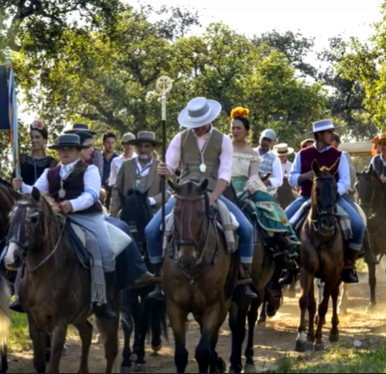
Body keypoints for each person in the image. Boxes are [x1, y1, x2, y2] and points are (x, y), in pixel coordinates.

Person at [12, 133, 156, 318]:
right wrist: (21, 185)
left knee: (106, 249)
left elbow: (92, 195)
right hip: (58, 219)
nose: (65, 152)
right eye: (62, 149)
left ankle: (105, 299)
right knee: (24, 242)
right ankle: (20, 294)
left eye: (70, 149)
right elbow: (36, 192)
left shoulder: (90, 170)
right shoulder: (50, 173)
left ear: (78, 151)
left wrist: (72, 204)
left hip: (87, 217)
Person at [145, 97, 258, 300]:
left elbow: (225, 172)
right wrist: (164, 170)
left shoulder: (223, 140)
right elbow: (170, 167)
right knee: (151, 230)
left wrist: (213, 197)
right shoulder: (180, 138)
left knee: (246, 228)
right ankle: (158, 275)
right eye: (195, 124)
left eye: (201, 123)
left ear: (209, 119)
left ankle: (244, 277)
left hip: (212, 193)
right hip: (183, 195)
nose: (198, 127)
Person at [284, 119, 367, 283]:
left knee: (358, 225)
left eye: (332, 132)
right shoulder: (302, 154)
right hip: (306, 197)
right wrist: (303, 177)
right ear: (319, 135)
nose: (332, 135)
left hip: (334, 199)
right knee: (283, 223)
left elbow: (345, 181)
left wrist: (332, 194)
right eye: (329, 132)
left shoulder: (339, 155)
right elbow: (291, 177)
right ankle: (290, 265)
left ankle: (349, 264)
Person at [229, 109, 300, 285]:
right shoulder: (223, 148)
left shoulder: (253, 154)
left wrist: (251, 186)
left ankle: (280, 244)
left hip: (246, 187)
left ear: (247, 132)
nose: (235, 131)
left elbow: (253, 175)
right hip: (225, 187)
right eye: (233, 128)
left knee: (268, 205)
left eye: (238, 128)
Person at [110, 131, 168, 216]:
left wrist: (152, 200)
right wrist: (113, 213)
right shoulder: (126, 165)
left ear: (153, 147)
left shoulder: (160, 167)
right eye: (140, 146)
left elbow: (167, 191)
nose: (143, 149)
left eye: (147, 146)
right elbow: (117, 190)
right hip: (127, 212)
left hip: (151, 213)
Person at [18, 120, 58, 187]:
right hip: (23, 193)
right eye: (32, 137)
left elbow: (54, 185)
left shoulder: (51, 162)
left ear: (44, 140)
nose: (33, 140)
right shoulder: (22, 159)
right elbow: (14, 180)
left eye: (37, 137)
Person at [273, 143, 297, 209]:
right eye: (280, 156)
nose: (281, 157)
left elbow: (292, 179)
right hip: (274, 189)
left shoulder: (291, 166)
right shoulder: (273, 165)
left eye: (283, 156)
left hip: (289, 190)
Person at [101, 132, 120, 212]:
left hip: (113, 188)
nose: (110, 145)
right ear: (103, 144)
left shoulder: (118, 160)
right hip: (100, 188)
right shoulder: (98, 158)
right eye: (108, 143)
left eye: (112, 143)